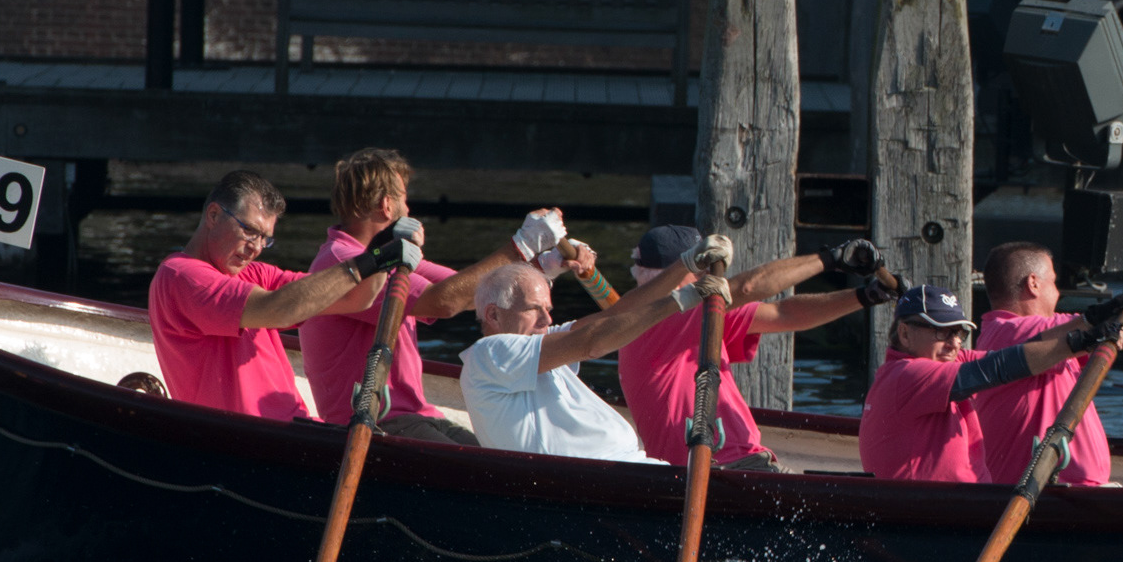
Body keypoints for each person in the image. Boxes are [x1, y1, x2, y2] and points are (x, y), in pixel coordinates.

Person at [876, 238, 1123, 488]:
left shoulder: (1014, 339)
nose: (954, 342)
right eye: (1054, 282)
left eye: (958, 332)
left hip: (1065, 494)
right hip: (1044, 499)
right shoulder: (1013, 332)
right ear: (1033, 284)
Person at [293, 149, 539, 444]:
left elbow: (474, 290)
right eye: (404, 198)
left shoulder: (392, 255)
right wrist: (522, 244)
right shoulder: (343, 262)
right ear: (386, 205)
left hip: (417, 416)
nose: (409, 209)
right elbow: (444, 302)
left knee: (499, 457)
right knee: (485, 467)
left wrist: (540, 265)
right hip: (373, 422)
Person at [612, 227, 900, 473]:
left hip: (721, 466)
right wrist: (832, 259)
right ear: (678, 272)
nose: (708, 275)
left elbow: (785, 314)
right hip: (723, 468)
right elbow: (748, 287)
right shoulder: (668, 313)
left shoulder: (686, 318)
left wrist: (867, 295)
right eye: (703, 267)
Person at [148, 170, 422, 421]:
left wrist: (378, 250)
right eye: (249, 231)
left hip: (294, 431)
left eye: (265, 238)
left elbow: (356, 299)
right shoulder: (181, 276)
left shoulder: (255, 274)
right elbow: (279, 310)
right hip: (247, 439)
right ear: (213, 215)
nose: (256, 247)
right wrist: (368, 262)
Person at [457, 246, 720, 461]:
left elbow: (617, 314)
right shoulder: (489, 354)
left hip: (627, 470)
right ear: (494, 315)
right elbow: (592, 342)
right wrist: (679, 301)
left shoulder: (540, 340)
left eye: (548, 309)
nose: (547, 320)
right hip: (597, 481)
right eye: (533, 309)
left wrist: (685, 264)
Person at [858, 284, 1123, 484]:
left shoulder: (946, 359)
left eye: (958, 332)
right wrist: (1081, 341)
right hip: (932, 515)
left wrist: (1090, 321)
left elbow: (1023, 353)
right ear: (904, 333)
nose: (954, 343)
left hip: (964, 507)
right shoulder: (907, 375)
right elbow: (996, 369)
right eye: (941, 331)